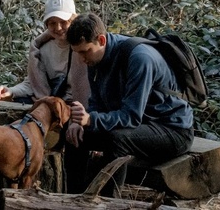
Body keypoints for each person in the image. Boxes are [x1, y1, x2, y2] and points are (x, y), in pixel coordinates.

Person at [63, 12, 194, 197]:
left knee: (117, 139)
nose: (82, 59)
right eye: (77, 53)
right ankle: (71, 199)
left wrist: (91, 119)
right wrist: (79, 122)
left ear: (101, 40)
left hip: (173, 130)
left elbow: (131, 116)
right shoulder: (94, 58)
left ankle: (110, 204)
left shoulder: (140, 58)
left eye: (85, 51)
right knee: (73, 135)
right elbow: (97, 103)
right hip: (140, 126)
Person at [0, 0, 90, 106]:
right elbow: (33, 84)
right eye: (52, 23)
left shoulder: (86, 48)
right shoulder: (42, 49)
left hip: (79, 106)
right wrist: (10, 91)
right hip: (50, 105)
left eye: (63, 22)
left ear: (73, 21)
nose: (58, 28)